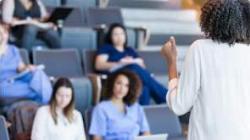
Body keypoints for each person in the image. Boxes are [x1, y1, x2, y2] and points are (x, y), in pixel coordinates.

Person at [161, 0, 250, 140]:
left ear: (209, 20)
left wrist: (171, 61)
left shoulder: (200, 49)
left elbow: (179, 105)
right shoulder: (247, 53)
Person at [95, 23, 167, 105]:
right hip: (116, 75)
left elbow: (142, 67)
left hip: (133, 75)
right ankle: (165, 97)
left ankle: (142, 111)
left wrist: (133, 61)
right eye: (116, 34)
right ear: (110, 37)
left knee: (144, 87)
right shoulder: (107, 48)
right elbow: (99, 65)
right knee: (134, 67)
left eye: (122, 34)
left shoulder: (129, 50)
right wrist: (120, 62)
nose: (119, 36)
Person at [0, 22, 52, 107]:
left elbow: (21, 68)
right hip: (3, 85)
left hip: (16, 81)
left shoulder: (13, 49)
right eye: (0, 33)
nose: (2, 35)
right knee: (37, 90)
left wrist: (28, 68)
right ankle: (47, 106)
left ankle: (45, 105)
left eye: (4, 33)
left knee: (38, 73)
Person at [89, 70, 150, 140]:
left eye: (126, 85)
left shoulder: (136, 107)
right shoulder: (101, 108)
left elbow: (146, 133)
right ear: (112, 84)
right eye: (119, 83)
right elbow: (97, 138)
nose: (122, 88)